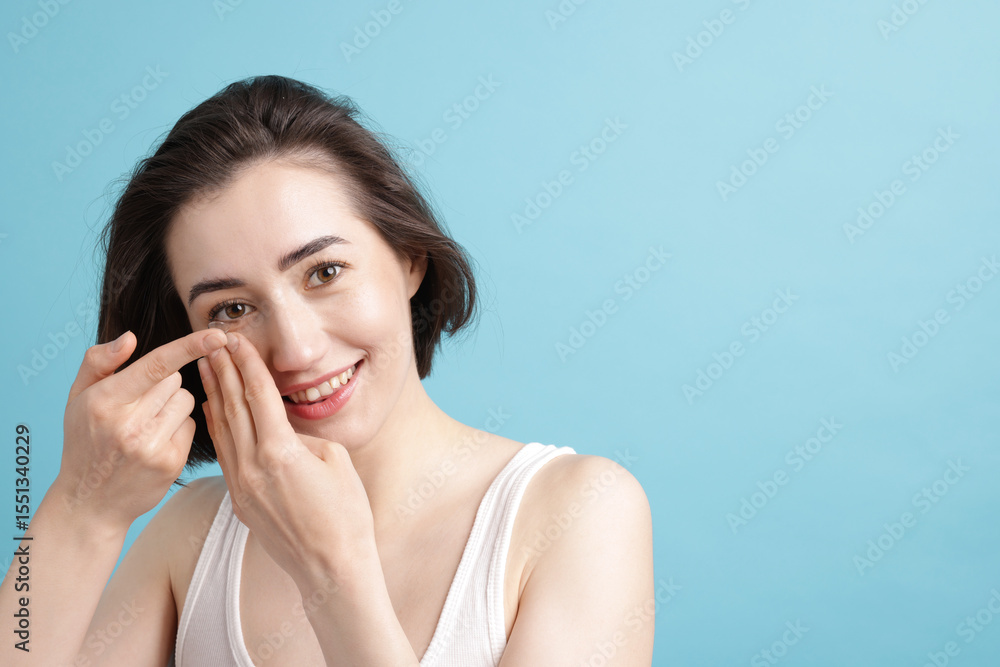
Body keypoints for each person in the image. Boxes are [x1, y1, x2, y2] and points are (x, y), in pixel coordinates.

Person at [0, 75, 654, 665]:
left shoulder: (576, 510)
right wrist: (80, 511)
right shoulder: (192, 537)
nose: (295, 349)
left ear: (409, 259)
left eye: (324, 272)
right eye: (232, 307)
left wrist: (332, 574)